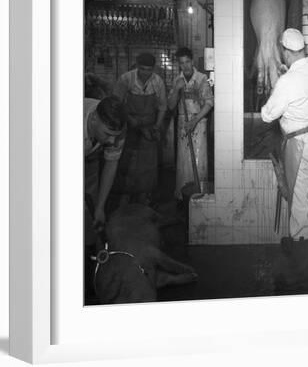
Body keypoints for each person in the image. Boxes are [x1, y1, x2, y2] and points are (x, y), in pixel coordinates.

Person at [261, 28, 308, 248]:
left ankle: (300, 252)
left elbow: (268, 114)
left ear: (287, 52)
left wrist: (278, 86)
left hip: (299, 144)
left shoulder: (288, 81)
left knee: (298, 200)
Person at [113, 52, 167, 200]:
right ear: (137, 67)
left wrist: (157, 126)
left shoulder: (158, 82)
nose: (145, 73)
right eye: (142, 69)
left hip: (149, 126)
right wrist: (129, 120)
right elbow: (116, 104)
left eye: (149, 69)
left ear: (153, 69)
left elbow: (162, 107)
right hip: (129, 125)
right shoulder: (126, 79)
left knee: (148, 162)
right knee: (127, 160)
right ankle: (125, 193)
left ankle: (145, 194)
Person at [168, 47, 214, 199]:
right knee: (183, 160)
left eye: (187, 61)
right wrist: (176, 90)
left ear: (192, 61)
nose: (185, 66)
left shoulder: (201, 79)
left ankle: (200, 194)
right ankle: (182, 196)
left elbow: (209, 103)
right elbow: (170, 105)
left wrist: (195, 120)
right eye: (182, 63)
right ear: (179, 65)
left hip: (199, 122)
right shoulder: (177, 80)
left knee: (199, 159)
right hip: (183, 123)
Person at [84, 95, 127, 230]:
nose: (112, 141)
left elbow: (111, 164)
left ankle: (89, 243)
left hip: (90, 153)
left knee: (90, 207)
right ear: (93, 119)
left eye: (116, 136)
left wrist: (100, 207)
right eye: (107, 134)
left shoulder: (117, 129)